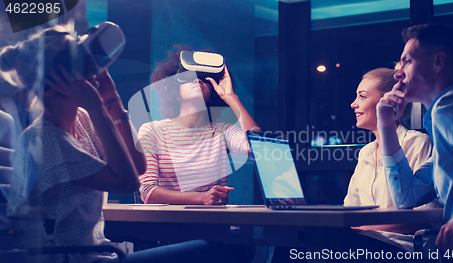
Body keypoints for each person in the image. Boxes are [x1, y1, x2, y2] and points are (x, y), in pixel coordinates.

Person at [2, 26, 237, 263]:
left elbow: (137, 164)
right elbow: (128, 183)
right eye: (82, 64)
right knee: (218, 251)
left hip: (98, 256)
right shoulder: (44, 141)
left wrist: (110, 100)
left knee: (221, 249)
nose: (91, 70)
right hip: (74, 260)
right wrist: (97, 108)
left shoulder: (82, 120)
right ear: (57, 80)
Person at [377, 23, 453, 251]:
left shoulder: (449, 108)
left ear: (438, 62)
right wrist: (385, 124)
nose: (397, 72)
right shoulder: (440, 119)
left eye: (407, 61)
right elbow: (406, 197)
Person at [138, 46, 260, 205]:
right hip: (168, 226)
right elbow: (147, 192)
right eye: (188, 77)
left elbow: (257, 148)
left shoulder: (222, 131)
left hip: (212, 225)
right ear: (175, 94)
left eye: (204, 78)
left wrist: (230, 97)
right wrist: (201, 198)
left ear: (212, 97)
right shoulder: (153, 131)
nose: (197, 80)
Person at [345, 67, 434, 251]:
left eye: (362, 96)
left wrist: (364, 228)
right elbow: (349, 209)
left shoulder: (417, 143)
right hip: (364, 240)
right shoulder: (366, 153)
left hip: (400, 245)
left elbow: (426, 217)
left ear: (389, 101)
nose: (353, 104)